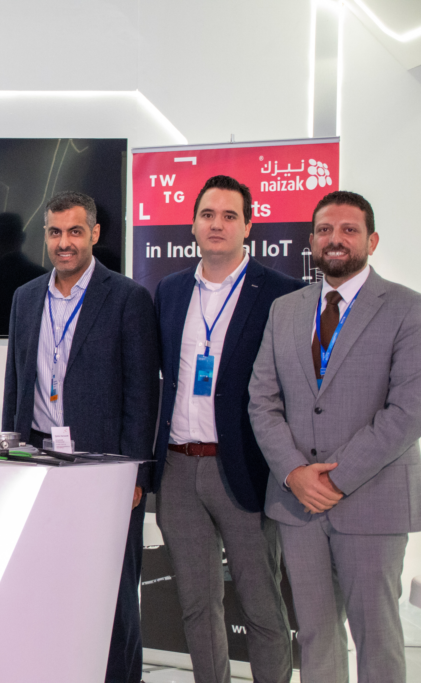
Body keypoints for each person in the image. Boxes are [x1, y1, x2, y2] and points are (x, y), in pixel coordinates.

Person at [249, 190, 421, 683]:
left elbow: (410, 410)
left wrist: (333, 479)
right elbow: (262, 400)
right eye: (325, 230)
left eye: (349, 229)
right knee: (315, 638)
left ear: (371, 240)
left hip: (372, 502)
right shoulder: (285, 310)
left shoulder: (410, 309)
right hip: (298, 505)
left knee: (377, 638)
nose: (336, 239)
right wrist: (294, 473)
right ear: (311, 241)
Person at [2, 191, 158, 683]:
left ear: (94, 233)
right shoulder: (26, 297)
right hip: (38, 459)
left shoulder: (127, 297)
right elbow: (16, 382)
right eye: (55, 232)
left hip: (104, 466)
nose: (64, 242)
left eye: (74, 231)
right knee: (45, 579)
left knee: (112, 590)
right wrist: (10, 454)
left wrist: (136, 473)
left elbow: (142, 393)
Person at [152, 176, 301, 683]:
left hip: (244, 468)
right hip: (178, 467)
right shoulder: (171, 290)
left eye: (230, 216)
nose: (217, 224)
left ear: (248, 226)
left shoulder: (281, 293)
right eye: (208, 214)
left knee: (262, 606)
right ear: (193, 224)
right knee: (197, 605)